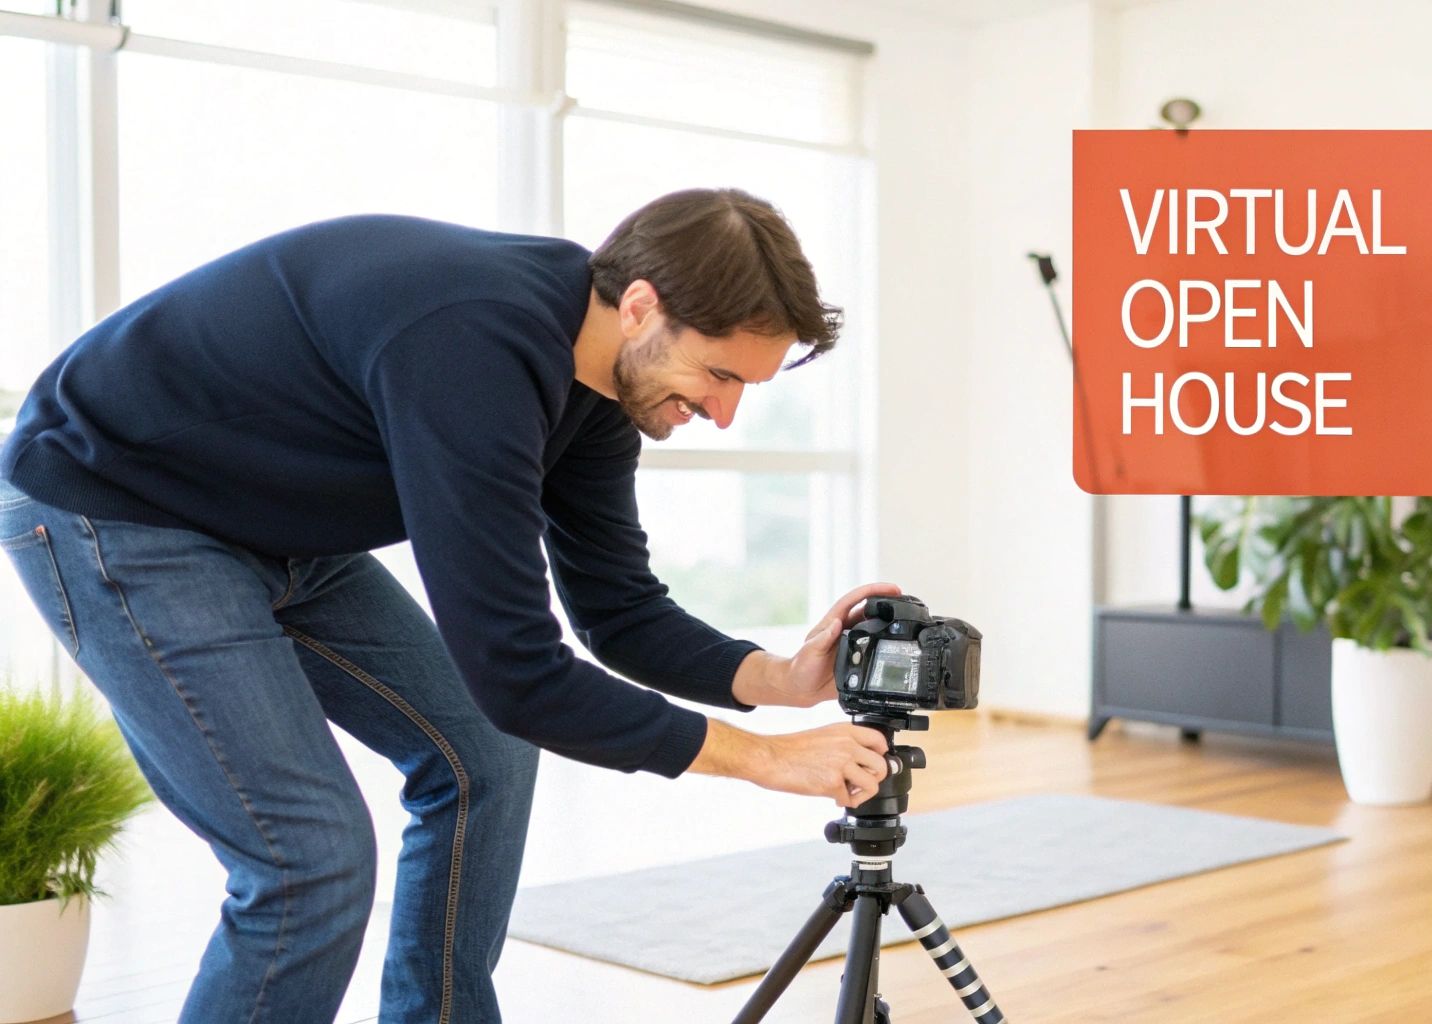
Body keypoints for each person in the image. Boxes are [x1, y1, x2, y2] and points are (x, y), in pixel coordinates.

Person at [0, 188, 895, 1024]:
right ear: (642, 307)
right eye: (718, 374)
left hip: (277, 530)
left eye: (747, 387)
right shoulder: (472, 345)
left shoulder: (597, 392)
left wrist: (779, 680)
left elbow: (617, 610)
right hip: (115, 507)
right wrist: (762, 761)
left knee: (487, 756)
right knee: (306, 859)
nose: (725, 413)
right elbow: (516, 670)